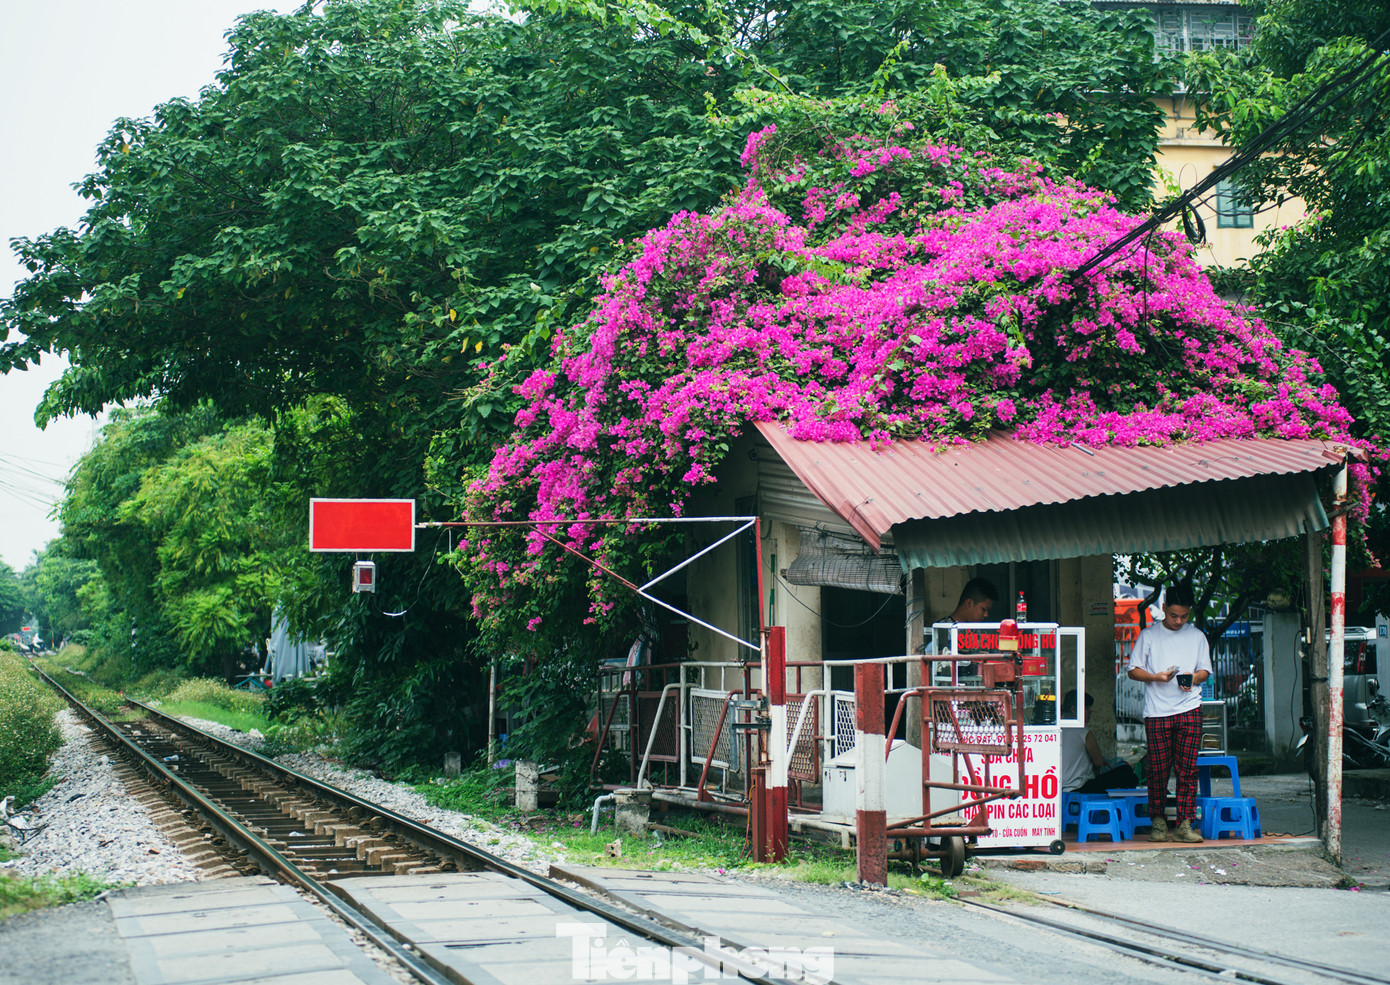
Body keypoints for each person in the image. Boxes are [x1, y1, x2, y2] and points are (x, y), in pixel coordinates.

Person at [1127, 584, 1212, 843]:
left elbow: (1205, 671)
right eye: (1174, 615)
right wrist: (1156, 677)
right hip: (1157, 712)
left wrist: (1193, 677)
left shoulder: (1197, 636)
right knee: (1158, 770)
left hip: (1189, 709)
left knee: (1187, 770)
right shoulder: (1149, 636)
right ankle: (1158, 822)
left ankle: (1185, 824)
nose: (1178, 621)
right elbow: (1133, 670)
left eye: (1184, 616)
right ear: (1163, 608)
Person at [1061, 690, 1140, 793]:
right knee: (1125, 771)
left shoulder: (1057, 730)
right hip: (1080, 787)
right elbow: (1099, 763)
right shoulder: (1084, 731)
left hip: (1060, 788)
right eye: (1087, 708)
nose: (1090, 712)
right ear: (1074, 710)